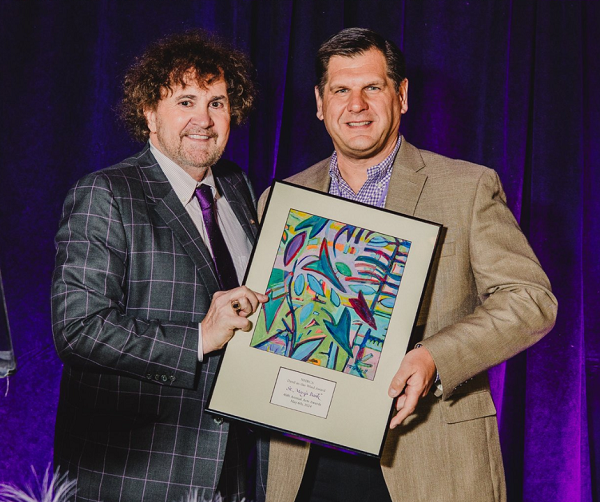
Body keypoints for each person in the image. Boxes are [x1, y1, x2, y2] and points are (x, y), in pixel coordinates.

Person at [258, 28, 557, 502]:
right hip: (307, 460)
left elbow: (531, 299)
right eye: (341, 90)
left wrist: (434, 356)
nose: (356, 105)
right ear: (319, 103)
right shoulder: (279, 201)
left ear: (401, 95)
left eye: (372, 88)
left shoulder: (467, 187)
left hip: (429, 454)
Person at [51, 30, 268, 502]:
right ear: (149, 113)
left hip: (232, 472)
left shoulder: (238, 189)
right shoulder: (107, 194)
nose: (203, 120)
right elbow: (78, 329)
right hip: (135, 475)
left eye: (217, 102)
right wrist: (196, 339)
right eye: (186, 101)